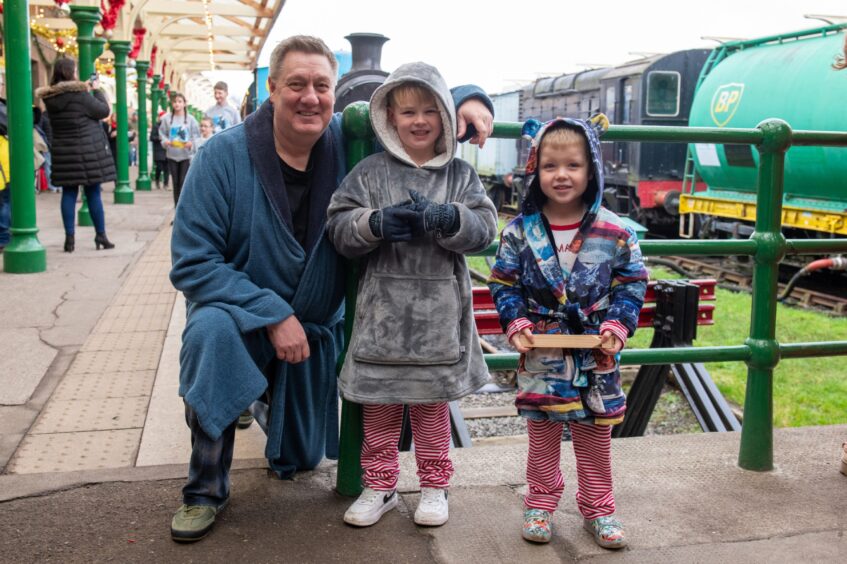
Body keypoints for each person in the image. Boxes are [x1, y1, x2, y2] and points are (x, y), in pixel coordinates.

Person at [168, 34, 493, 542]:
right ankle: (204, 488)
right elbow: (192, 264)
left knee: (299, 462)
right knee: (209, 336)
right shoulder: (219, 158)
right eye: (296, 84)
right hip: (244, 315)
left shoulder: (347, 139)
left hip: (315, 327)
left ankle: (270, 409)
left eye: (322, 85)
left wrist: (470, 96)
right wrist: (272, 313)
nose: (311, 97)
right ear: (271, 89)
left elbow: (407, 107)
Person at [327, 63, 498, 528]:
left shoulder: (461, 176)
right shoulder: (368, 173)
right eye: (407, 112)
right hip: (382, 317)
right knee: (378, 408)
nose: (418, 120)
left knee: (431, 409)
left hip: (438, 321)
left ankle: (435, 485)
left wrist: (450, 219)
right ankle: (378, 485)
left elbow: (485, 228)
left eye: (428, 110)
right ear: (390, 117)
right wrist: (375, 223)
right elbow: (339, 225)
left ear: (445, 116)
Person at [487, 116, 647, 548]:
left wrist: (617, 324)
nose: (562, 175)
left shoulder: (616, 231)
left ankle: (600, 508)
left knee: (596, 434)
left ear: (591, 169)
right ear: (535, 171)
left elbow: (631, 283)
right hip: (542, 352)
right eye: (550, 166)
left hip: (596, 351)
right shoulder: (519, 232)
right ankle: (539, 502)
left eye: (573, 165)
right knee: (542, 432)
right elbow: (503, 284)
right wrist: (516, 322)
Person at [36, 58, 116, 252]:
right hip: (87, 151)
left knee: (68, 193)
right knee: (93, 193)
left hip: (64, 152)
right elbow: (103, 110)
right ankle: (101, 236)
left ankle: (69, 239)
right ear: (71, 72)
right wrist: (96, 89)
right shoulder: (80, 95)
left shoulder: (50, 98)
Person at [159, 92, 199, 206]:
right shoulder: (166, 119)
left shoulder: (191, 119)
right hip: (172, 155)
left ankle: (184, 209)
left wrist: (191, 143)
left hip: (186, 156)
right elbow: (162, 133)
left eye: (180, 101)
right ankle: (177, 210)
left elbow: (196, 135)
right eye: (175, 102)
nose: (177, 104)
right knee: (175, 184)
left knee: (183, 183)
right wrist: (165, 141)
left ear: (185, 103)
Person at [150, 111, 169, 190]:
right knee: (159, 167)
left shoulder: (169, 126)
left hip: (167, 150)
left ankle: (166, 184)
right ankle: (157, 180)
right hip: (159, 150)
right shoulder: (156, 126)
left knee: (167, 168)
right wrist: (159, 138)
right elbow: (152, 138)